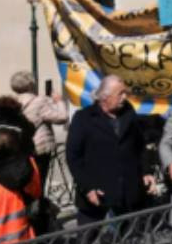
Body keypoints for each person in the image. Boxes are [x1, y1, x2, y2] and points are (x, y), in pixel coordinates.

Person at [65, 75, 156, 223]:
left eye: (125, 93)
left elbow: (140, 146)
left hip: (128, 194)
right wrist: (87, 188)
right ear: (105, 97)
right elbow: (73, 157)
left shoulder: (129, 113)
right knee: (88, 241)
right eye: (120, 93)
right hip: (97, 194)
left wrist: (146, 171)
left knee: (131, 241)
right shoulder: (84, 118)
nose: (125, 97)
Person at [11, 70, 68, 187]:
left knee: (24, 181)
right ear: (31, 84)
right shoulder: (39, 101)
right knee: (39, 181)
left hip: (18, 147)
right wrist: (59, 102)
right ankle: (38, 204)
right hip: (39, 147)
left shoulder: (12, 102)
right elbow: (62, 117)